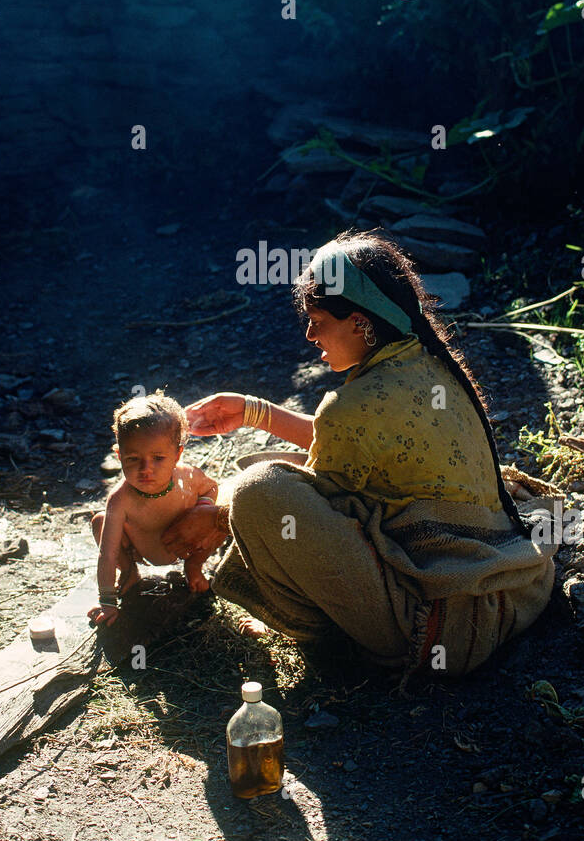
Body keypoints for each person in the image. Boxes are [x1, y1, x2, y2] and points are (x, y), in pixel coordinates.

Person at [161, 231, 558, 681]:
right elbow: (346, 443)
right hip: (512, 591)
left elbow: (318, 490)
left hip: (440, 628)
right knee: (269, 470)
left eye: (317, 320)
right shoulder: (426, 361)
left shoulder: (355, 406)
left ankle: (336, 636)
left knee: (258, 489)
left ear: (358, 321)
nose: (310, 335)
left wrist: (218, 515)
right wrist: (256, 411)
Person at [87, 393, 219, 626]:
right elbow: (106, 554)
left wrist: (202, 509)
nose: (146, 469)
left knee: (220, 519)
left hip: (188, 547)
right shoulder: (121, 499)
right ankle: (129, 576)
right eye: (133, 459)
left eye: (158, 458)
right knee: (100, 521)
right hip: (143, 551)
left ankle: (194, 567)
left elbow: (212, 488)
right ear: (119, 455)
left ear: (177, 454)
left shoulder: (189, 477)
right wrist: (106, 601)